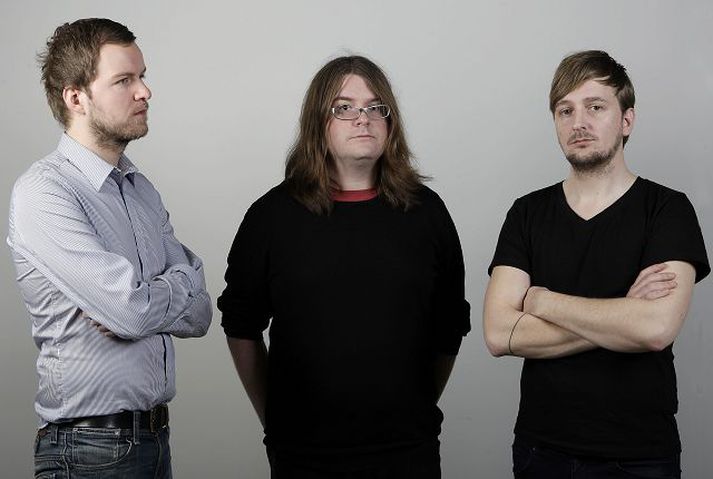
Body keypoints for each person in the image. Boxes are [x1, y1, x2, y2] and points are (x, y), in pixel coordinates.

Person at [218, 55, 470, 478]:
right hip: (303, 454)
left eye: (376, 107)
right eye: (344, 107)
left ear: (390, 121)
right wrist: (274, 419)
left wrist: (415, 406)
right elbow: (241, 325)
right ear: (318, 121)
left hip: (408, 451)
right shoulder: (271, 217)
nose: (363, 118)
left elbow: (450, 327)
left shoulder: (428, 214)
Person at [483, 50, 709, 478]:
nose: (578, 122)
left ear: (627, 120)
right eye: (565, 110)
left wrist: (542, 301)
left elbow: (654, 329)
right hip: (540, 450)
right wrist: (623, 313)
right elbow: (498, 333)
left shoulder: (667, 210)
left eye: (595, 107)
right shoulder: (526, 213)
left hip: (639, 456)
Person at [7, 18, 212, 478]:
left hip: (155, 441)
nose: (145, 92)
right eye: (124, 80)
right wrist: (169, 287)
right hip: (88, 451)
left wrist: (144, 298)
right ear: (75, 97)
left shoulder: (141, 190)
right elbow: (130, 312)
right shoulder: (44, 192)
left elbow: (201, 314)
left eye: (142, 76)